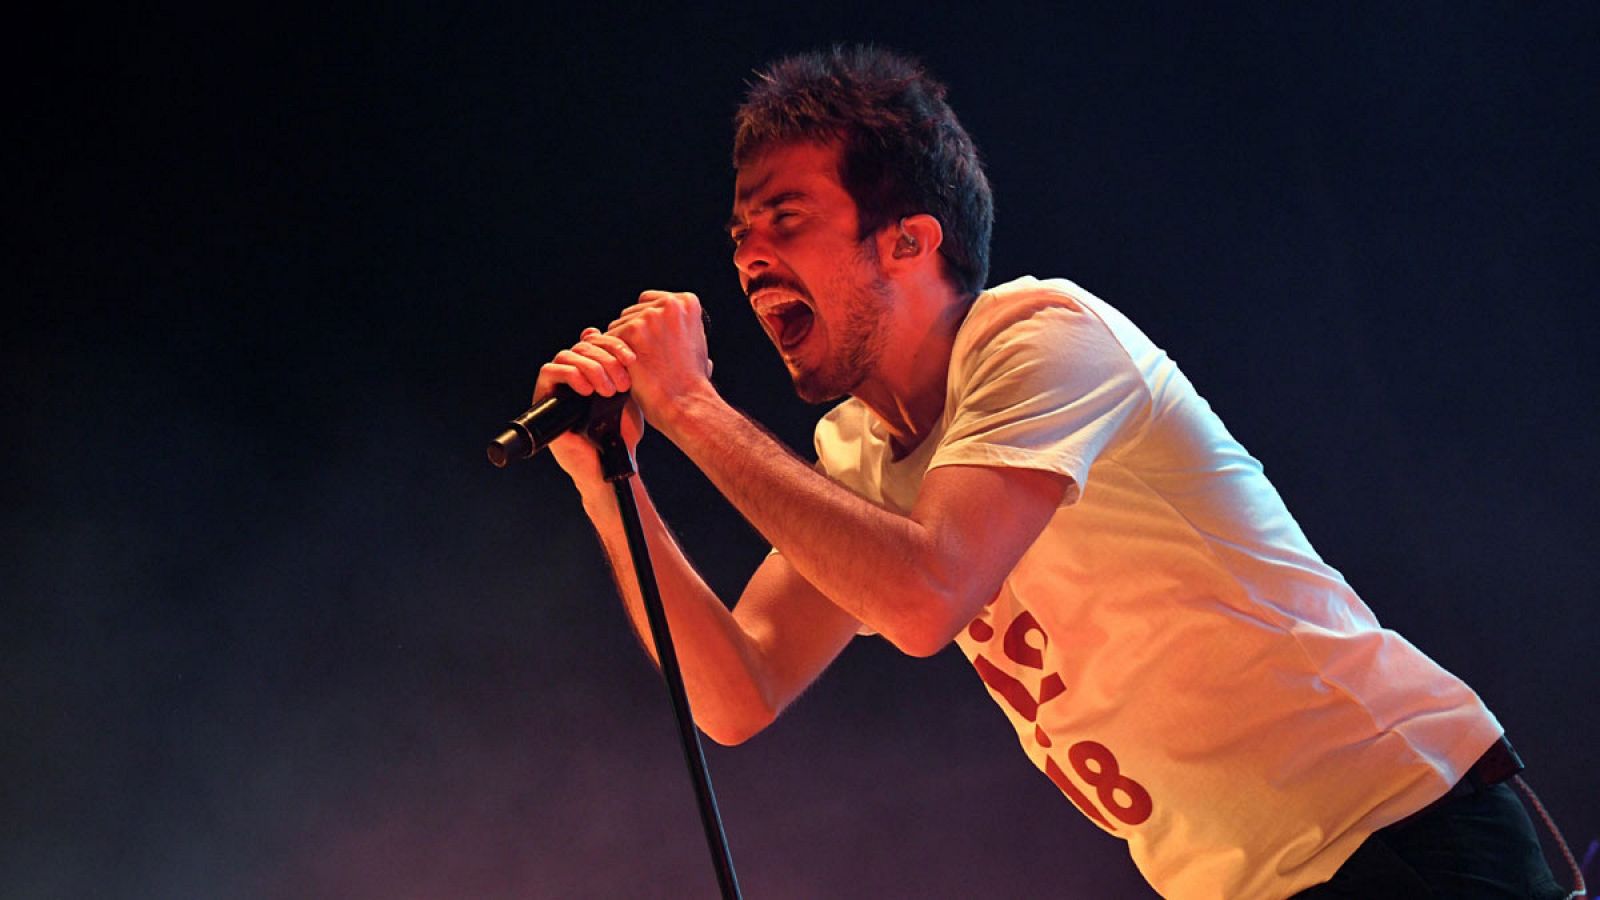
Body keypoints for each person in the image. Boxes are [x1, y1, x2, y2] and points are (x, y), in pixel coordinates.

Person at [531, 45, 1570, 899]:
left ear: (908, 241)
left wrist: (692, 408)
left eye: (784, 219)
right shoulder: (854, 451)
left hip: (1402, 834)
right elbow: (739, 690)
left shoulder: (1039, 337)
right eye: (738, 230)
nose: (748, 254)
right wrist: (609, 480)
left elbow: (925, 594)